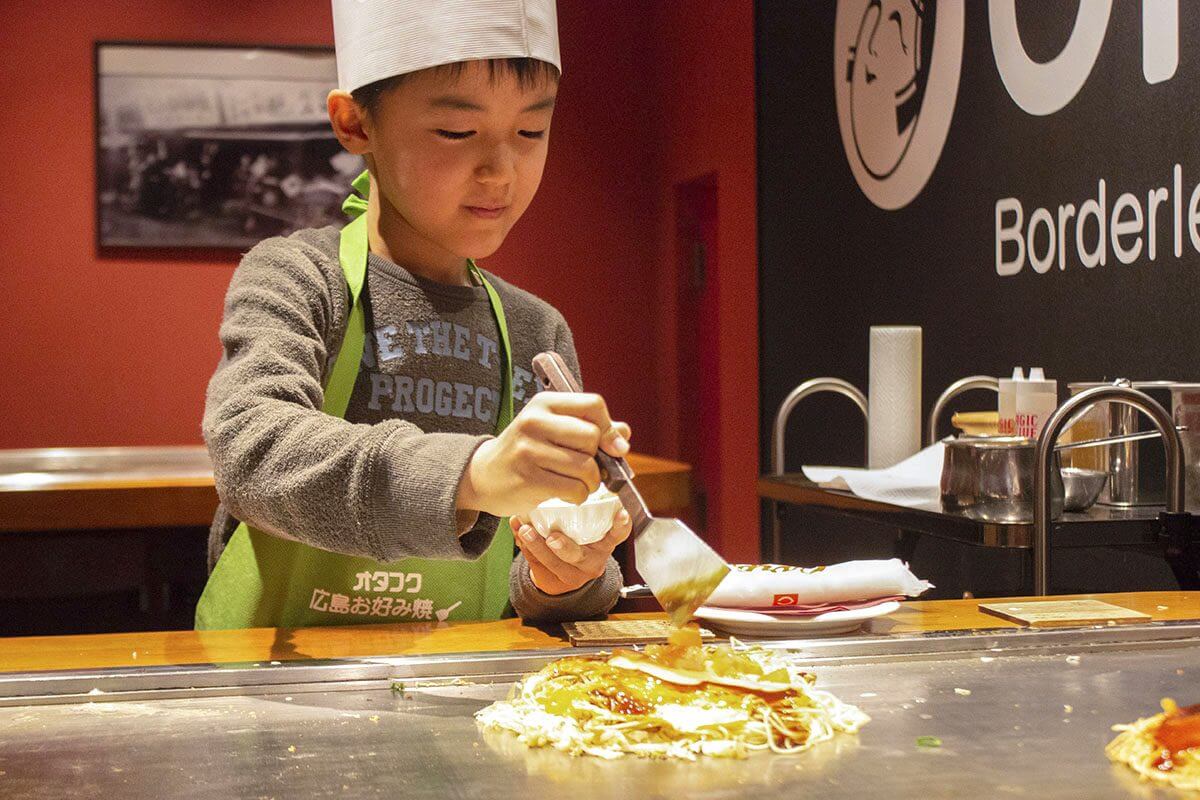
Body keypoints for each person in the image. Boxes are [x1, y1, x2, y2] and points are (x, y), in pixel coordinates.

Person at [194, 0, 632, 629]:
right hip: (277, 694)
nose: (501, 170)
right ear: (355, 124)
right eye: (457, 132)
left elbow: (539, 580)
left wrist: (567, 571)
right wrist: (475, 474)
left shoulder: (538, 332)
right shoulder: (297, 276)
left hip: (461, 694)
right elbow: (253, 450)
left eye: (531, 133)